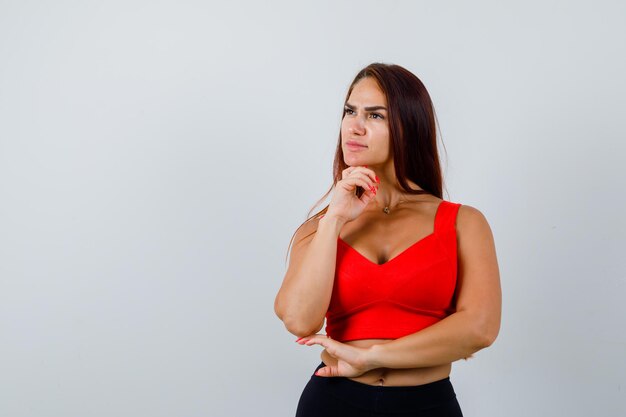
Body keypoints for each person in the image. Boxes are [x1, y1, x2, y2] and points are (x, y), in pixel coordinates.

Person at [274, 62, 501, 417]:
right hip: (332, 402)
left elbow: (479, 328)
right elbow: (299, 321)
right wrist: (334, 219)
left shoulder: (464, 223)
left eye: (375, 115)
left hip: (427, 405)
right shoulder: (320, 227)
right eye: (350, 111)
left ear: (408, 127)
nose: (355, 126)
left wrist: (369, 357)